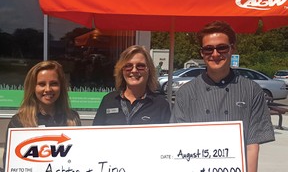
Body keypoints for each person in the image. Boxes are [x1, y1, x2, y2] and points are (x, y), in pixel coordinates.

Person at [170, 21, 275, 172]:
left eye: (222, 47)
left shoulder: (252, 90)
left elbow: (252, 146)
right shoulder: (185, 93)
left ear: (232, 49)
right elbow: (179, 143)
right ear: (201, 53)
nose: (215, 54)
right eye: (208, 49)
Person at [3, 60, 81, 167]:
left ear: (61, 87)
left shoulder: (72, 118)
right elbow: (10, 163)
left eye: (54, 83)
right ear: (33, 88)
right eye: (41, 84)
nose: (48, 89)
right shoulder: (19, 122)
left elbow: (79, 158)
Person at [92, 45, 171, 125]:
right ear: (121, 70)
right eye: (128, 66)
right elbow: (94, 134)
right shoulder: (108, 100)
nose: (134, 70)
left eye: (140, 66)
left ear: (149, 70)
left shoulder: (161, 105)